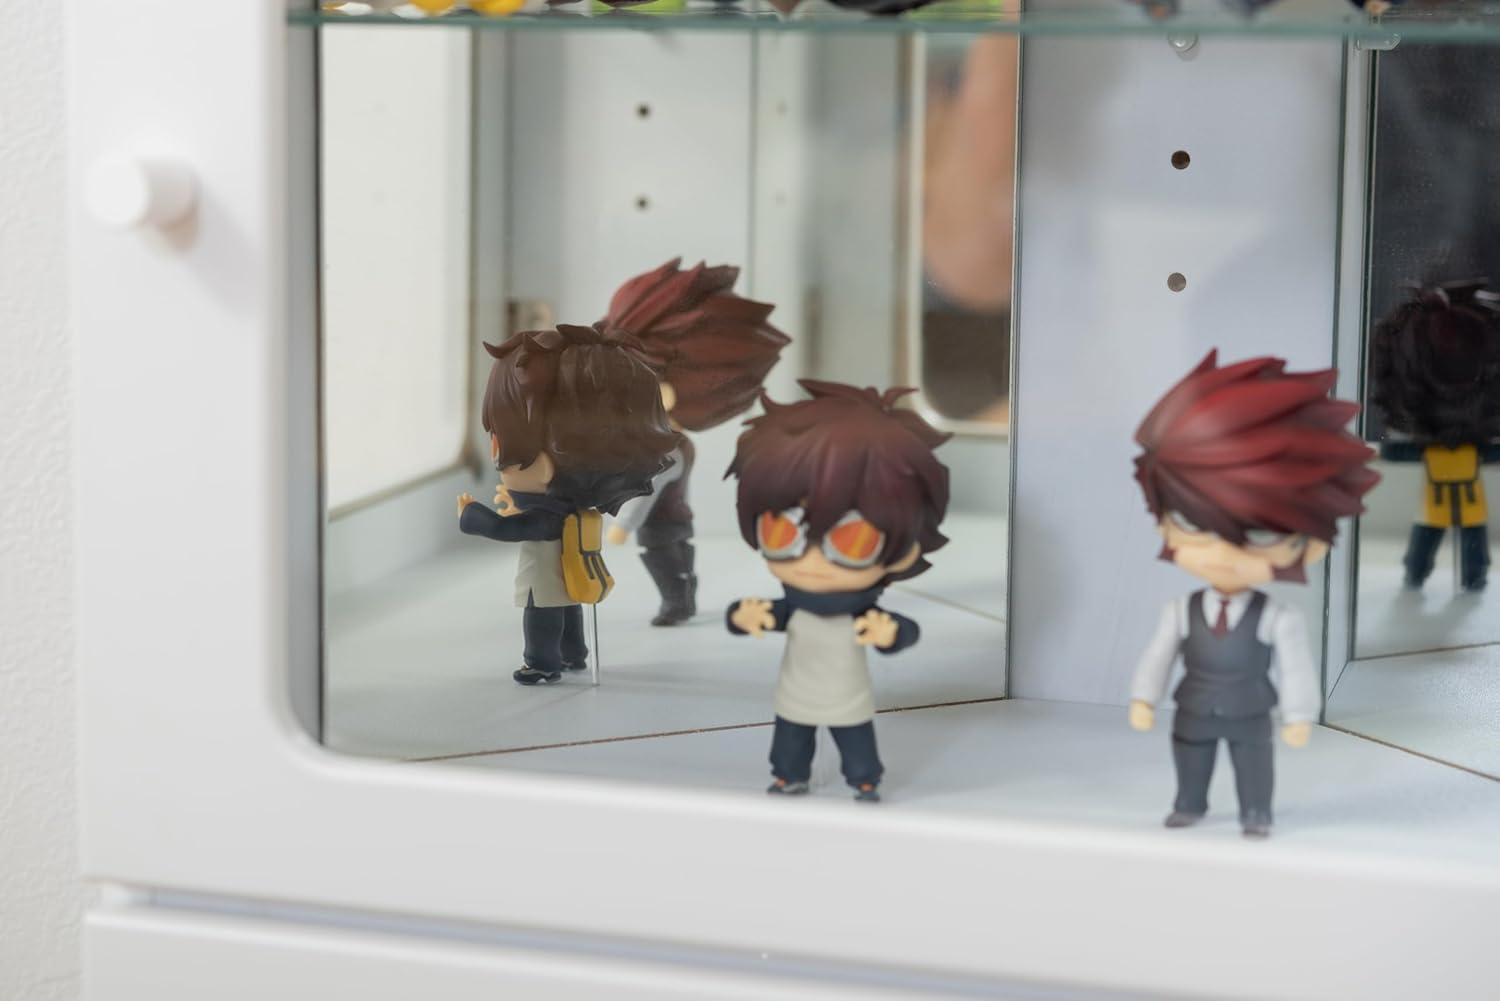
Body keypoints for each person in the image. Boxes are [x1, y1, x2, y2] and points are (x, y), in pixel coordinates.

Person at [1128, 351, 1379, 838]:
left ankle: (1256, 812)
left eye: (1260, 534)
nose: (1222, 553)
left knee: (1253, 763)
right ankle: (1189, 803)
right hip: (1193, 710)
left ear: (1311, 542)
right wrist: (1144, 696)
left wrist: (1299, 714)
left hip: (1250, 713)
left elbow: (1296, 667)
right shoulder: (1180, 611)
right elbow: (1159, 655)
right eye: (1193, 525)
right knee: (1191, 758)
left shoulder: (1276, 618)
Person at [725, 381, 950, 803]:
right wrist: (742, 616)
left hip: (848, 697)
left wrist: (891, 634)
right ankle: (788, 775)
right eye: (781, 531)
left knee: (855, 738)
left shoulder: (860, 615)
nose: (811, 561)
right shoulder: (796, 607)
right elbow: (769, 613)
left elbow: (902, 631)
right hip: (795, 694)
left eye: (853, 541)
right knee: (791, 737)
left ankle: (864, 779)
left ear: (904, 551)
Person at [456, 324, 677, 685]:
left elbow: (504, 529)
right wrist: (519, 502)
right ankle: (574, 653)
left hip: (543, 581)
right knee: (570, 609)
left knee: (541, 616)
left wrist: (471, 515)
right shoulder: (570, 509)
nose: (499, 460)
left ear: (544, 466)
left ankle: (542, 662)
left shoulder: (547, 518)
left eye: (500, 447)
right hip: (570, 576)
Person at [597, 258, 789, 626]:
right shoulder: (654, 438)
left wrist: (623, 525)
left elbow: (649, 487)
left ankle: (679, 599)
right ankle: (682, 593)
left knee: (664, 558)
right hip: (667, 521)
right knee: (670, 557)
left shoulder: (667, 447)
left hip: (662, 521)